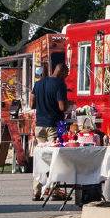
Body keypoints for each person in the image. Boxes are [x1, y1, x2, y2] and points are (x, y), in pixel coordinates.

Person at [31, 63, 69, 201]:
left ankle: (36, 191)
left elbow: (31, 104)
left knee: (41, 158)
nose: (66, 76)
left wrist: (43, 105)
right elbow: (62, 107)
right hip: (54, 125)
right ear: (62, 72)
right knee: (55, 159)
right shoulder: (60, 84)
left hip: (39, 126)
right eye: (66, 73)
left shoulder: (38, 84)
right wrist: (68, 104)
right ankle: (54, 191)